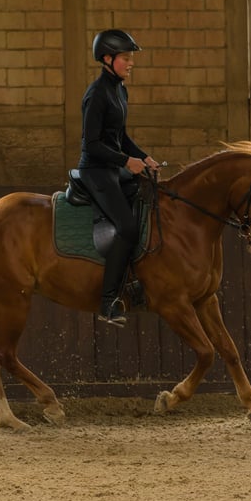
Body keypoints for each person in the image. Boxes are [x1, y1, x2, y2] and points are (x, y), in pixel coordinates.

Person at [78, 29, 160, 327]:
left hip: (114, 168)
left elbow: (120, 136)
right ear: (108, 58)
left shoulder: (120, 90)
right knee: (126, 226)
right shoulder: (97, 94)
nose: (131, 63)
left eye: (131, 58)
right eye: (126, 58)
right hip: (96, 171)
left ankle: (135, 281)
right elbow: (93, 144)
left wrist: (144, 156)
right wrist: (128, 161)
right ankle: (108, 301)